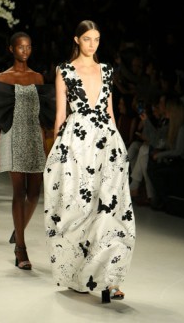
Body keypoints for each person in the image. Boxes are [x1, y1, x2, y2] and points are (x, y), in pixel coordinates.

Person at [44, 20, 136, 303]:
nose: (92, 44)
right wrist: (55, 152)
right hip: (76, 144)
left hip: (107, 142)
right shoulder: (64, 70)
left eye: (96, 39)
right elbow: (61, 115)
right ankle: (78, 273)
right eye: (87, 39)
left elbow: (109, 111)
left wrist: (119, 142)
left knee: (111, 207)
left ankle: (111, 279)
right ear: (77, 40)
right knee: (78, 209)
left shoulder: (106, 70)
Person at [0, 31, 54, 270]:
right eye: (20, 47)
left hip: (35, 138)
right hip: (12, 137)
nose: (25, 51)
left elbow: (43, 116)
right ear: (11, 49)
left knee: (35, 194)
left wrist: (46, 144)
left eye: (28, 47)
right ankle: (21, 249)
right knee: (19, 192)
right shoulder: (3, 78)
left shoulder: (37, 77)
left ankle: (18, 231)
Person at [147, 96, 184, 210]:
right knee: (154, 168)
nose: (165, 111)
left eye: (168, 110)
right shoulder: (176, 127)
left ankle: (166, 202)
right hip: (181, 162)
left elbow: (178, 151)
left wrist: (159, 155)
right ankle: (163, 200)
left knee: (157, 171)